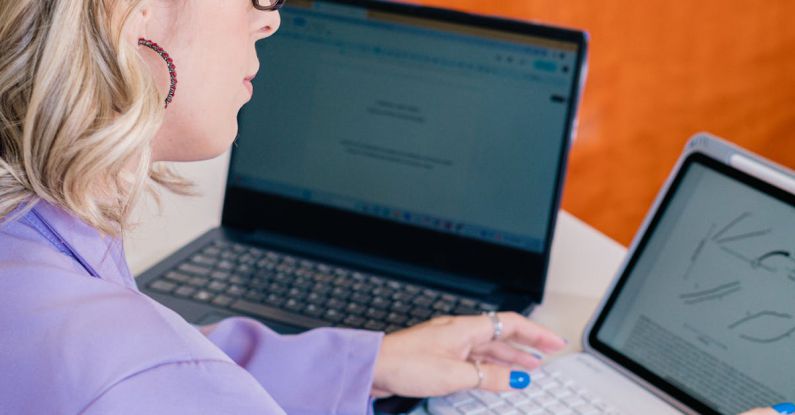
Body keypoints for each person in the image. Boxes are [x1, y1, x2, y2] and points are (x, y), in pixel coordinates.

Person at [0, 1, 789, 415]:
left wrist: (368, 363)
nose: (271, 17)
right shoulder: (128, 369)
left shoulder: (33, 235)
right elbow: (149, 380)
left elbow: (171, 377)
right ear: (130, 17)